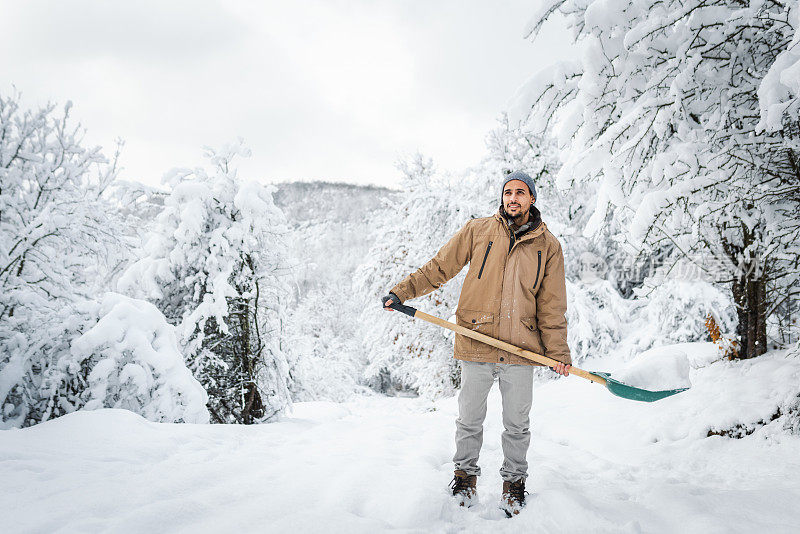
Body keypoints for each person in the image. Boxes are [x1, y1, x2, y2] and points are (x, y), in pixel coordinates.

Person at [381, 170, 571, 517]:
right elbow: (439, 268)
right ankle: (464, 477)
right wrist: (402, 291)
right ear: (502, 197)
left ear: (532, 199)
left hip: (521, 348)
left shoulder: (549, 246)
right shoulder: (477, 230)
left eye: (521, 193)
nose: (513, 198)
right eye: (508, 192)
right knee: (469, 419)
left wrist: (557, 353)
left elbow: (552, 304)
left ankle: (514, 484)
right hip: (476, 339)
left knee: (517, 425)